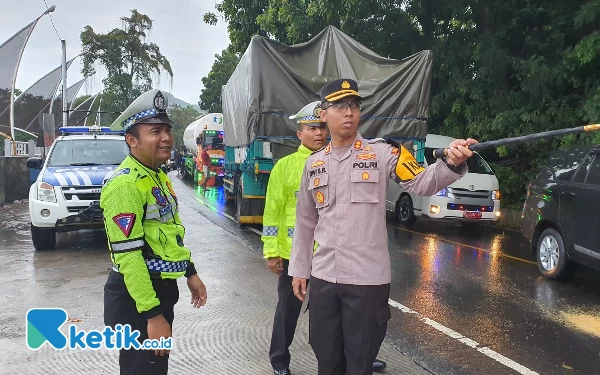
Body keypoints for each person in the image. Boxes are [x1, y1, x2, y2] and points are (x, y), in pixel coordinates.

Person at [289, 79, 478, 375]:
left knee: (359, 363)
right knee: (327, 360)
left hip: (367, 282)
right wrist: (300, 268)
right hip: (324, 278)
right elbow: (305, 221)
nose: (349, 112)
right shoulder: (314, 164)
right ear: (323, 114)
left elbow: (422, 181)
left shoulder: (383, 153)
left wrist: (451, 164)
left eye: (353, 105)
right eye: (339, 106)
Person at [262, 101, 387, 375]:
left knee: (338, 322)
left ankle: (357, 357)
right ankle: (280, 360)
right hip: (293, 256)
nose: (318, 133)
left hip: (329, 262)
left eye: (320, 128)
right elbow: (272, 213)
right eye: (311, 128)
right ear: (299, 133)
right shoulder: (286, 167)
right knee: (288, 313)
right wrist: (271, 252)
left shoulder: (337, 159)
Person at [101, 89, 208, 375]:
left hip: (158, 290)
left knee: (154, 367)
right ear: (132, 140)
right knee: (144, 369)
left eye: (167, 130)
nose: (166, 138)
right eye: (155, 131)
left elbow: (170, 232)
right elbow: (129, 256)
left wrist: (190, 271)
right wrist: (153, 315)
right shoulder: (126, 185)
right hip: (137, 299)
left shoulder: (157, 176)